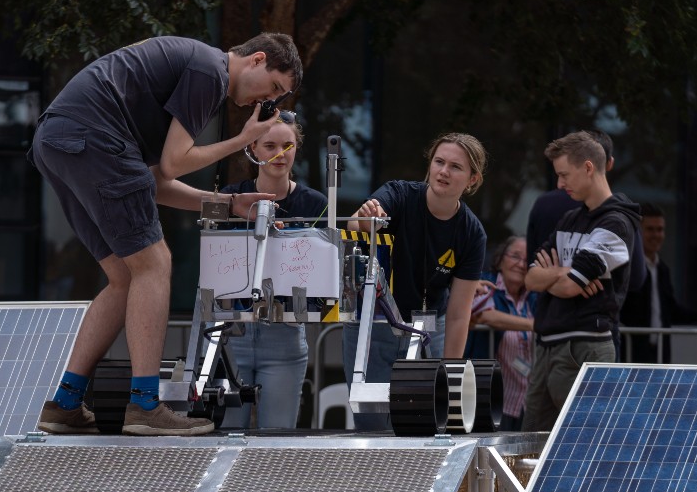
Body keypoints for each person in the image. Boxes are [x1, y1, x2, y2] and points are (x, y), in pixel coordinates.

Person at [28, 33, 302, 436]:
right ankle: (144, 405)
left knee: (125, 276)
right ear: (257, 60)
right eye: (275, 88)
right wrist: (244, 140)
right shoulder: (210, 71)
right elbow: (175, 163)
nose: (268, 102)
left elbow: (151, 182)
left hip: (59, 142)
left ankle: (65, 403)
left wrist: (227, 205)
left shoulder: (186, 71)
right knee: (156, 264)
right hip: (93, 141)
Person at [343, 133, 489, 432]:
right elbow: (355, 223)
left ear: (472, 179)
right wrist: (368, 217)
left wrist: (451, 374)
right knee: (372, 428)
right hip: (375, 323)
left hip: (427, 327)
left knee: (424, 425)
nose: (444, 171)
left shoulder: (472, 232)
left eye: (455, 167)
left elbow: (460, 313)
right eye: (439, 162)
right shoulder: (399, 194)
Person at [522, 131, 640, 433]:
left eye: (564, 175)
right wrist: (564, 272)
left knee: (583, 445)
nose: (560, 184)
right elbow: (531, 277)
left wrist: (562, 275)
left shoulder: (616, 223)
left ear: (588, 167)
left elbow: (569, 286)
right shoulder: (569, 218)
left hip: (585, 346)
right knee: (530, 444)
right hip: (549, 345)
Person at [218, 117, 327, 429]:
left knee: (276, 439)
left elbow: (320, 279)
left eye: (288, 146)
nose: (280, 153)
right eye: (270, 145)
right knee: (226, 435)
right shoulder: (232, 196)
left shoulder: (315, 203)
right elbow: (210, 247)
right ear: (252, 148)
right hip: (231, 331)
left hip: (285, 333)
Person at [619, 202, 697, 362]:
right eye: (650, 229)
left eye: (660, 230)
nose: (656, 235)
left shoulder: (662, 270)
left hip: (660, 356)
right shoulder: (626, 268)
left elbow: (671, 311)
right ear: (638, 232)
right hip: (631, 356)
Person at [471, 236, 537, 430]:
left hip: (525, 401)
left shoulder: (533, 296)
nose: (521, 264)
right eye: (515, 256)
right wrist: (535, 325)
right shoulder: (485, 284)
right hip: (493, 398)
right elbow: (484, 315)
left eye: (527, 260)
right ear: (500, 259)